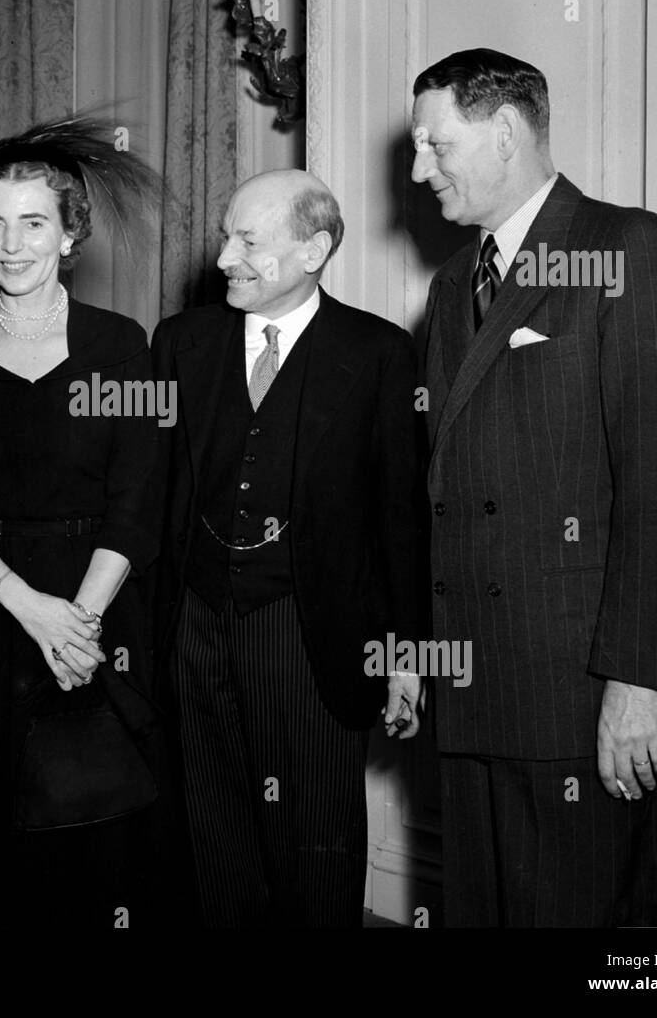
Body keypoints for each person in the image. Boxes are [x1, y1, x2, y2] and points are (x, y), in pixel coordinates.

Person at [412, 47, 657, 926]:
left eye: (436, 145)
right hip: (475, 698)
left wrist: (635, 683)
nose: (418, 167)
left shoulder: (628, 247)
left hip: (583, 701)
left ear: (504, 133)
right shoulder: (447, 287)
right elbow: (439, 495)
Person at [0, 116, 177, 929]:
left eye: (33, 223)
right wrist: (27, 608)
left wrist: (77, 624)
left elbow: (140, 500)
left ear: (69, 235)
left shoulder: (123, 346)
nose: (11, 244)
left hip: (96, 612)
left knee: (94, 847)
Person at [149, 168, 425, 928]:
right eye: (226, 235)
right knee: (214, 843)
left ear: (313, 250)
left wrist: (406, 655)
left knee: (315, 846)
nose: (225, 258)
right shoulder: (179, 344)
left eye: (248, 240)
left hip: (313, 636)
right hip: (195, 628)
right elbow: (152, 497)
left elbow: (401, 520)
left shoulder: (378, 355)